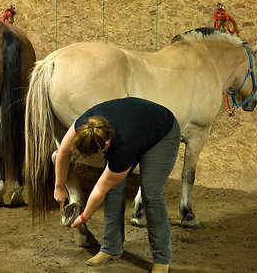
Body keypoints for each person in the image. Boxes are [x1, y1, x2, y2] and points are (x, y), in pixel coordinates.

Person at [54, 97, 180, 273]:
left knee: (150, 194)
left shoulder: (122, 147)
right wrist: (59, 187)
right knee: (114, 190)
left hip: (161, 133)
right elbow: (64, 151)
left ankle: (161, 259)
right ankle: (111, 249)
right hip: (135, 125)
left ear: (105, 145)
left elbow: (100, 189)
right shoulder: (85, 126)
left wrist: (83, 217)